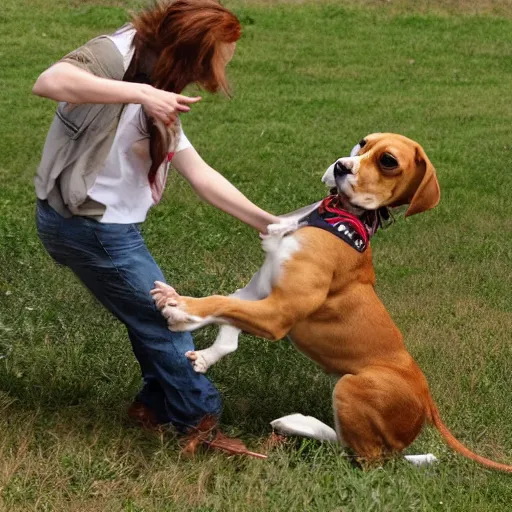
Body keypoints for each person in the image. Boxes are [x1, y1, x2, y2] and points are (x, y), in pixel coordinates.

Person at [32, 0, 279, 450]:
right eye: (220, 55)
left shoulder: (161, 78)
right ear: (192, 50)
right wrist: (140, 93)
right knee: (168, 319)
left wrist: (268, 222)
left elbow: (199, 173)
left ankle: (154, 405)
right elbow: (49, 81)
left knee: (147, 313)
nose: (224, 65)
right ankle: (200, 423)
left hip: (111, 228)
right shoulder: (116, 56)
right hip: (89, 227)